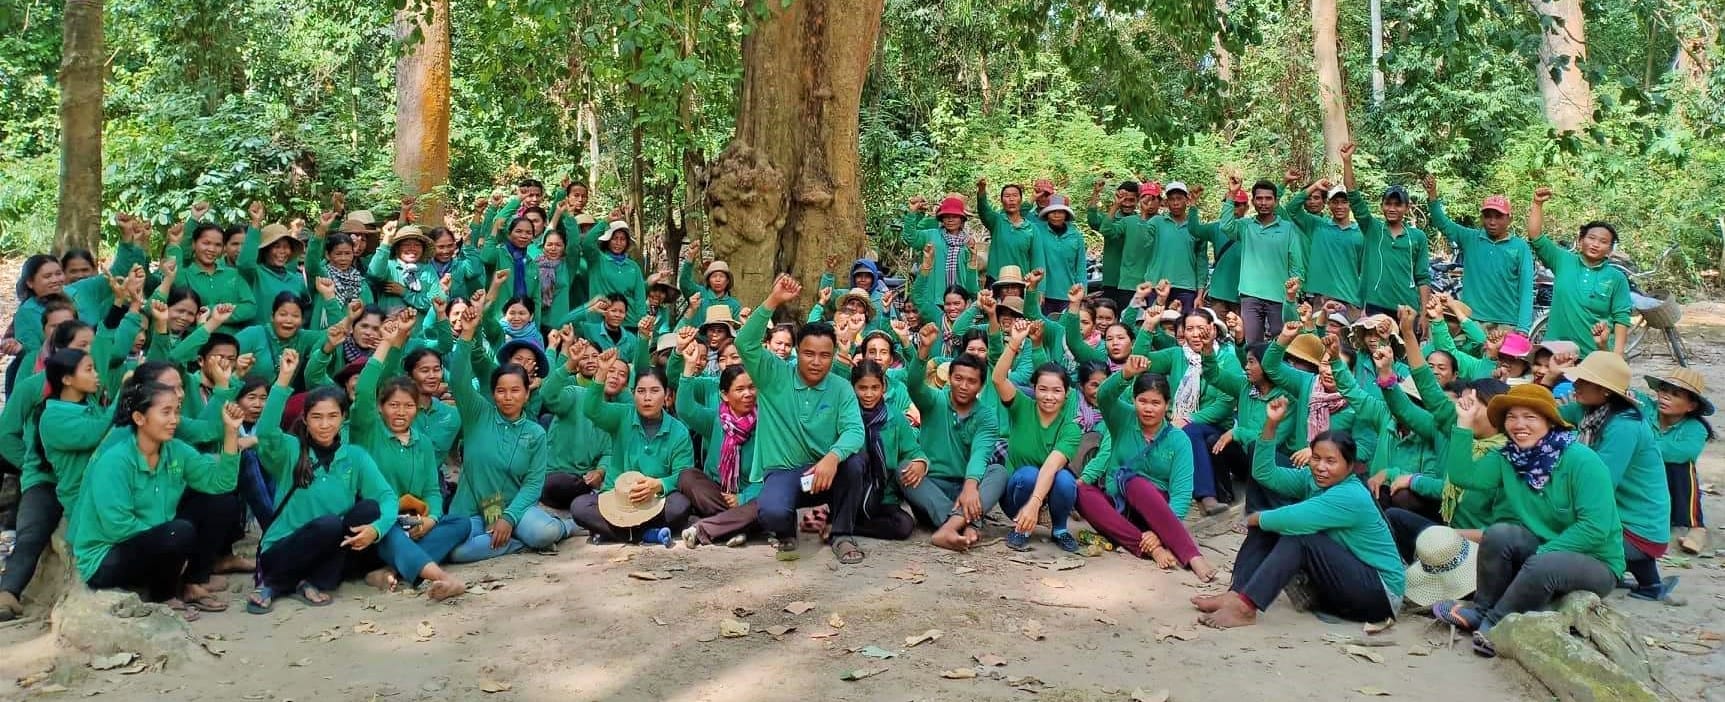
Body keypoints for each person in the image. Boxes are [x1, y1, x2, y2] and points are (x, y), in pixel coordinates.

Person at [1433, 384, 1621, 658]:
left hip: (1596, 560)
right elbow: (1464, 478)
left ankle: (1495, 626)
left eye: (1530, 417)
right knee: (1498, 534)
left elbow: (1595, 528)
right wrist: (1464, 423)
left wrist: (1541, 556)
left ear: (1549, 421)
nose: (1519, 424)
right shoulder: (1508, 457)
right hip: (1544, 550)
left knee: (1544, 565)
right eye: (1511, 417)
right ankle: (1482, 609)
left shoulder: (1581, 460)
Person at [1194, 397, 1403, 628]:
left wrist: (1255, 518)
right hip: (1346, 581)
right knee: (1270, 525)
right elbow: (1264, 474)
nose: (1321, 467)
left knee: (1295, 534)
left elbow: (1294, 518)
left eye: (1331, 461)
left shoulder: (1351, 494)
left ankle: (1245, 607)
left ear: (1350, 466)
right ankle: (1236, 593)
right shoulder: (1311, 479)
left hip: (1380, 595)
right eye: (1316, 458)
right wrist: (1271, 424)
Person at [72, 381, 246, 619]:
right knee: (178, 532)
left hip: (156, 542)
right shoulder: (115, 461)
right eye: (166, 412)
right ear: (139, 418)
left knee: (221, 503)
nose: (175, 419)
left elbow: (221, 483)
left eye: (176, 411)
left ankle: (192, 583)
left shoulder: (176, 450)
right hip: (107, 557)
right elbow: (117, 526)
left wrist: (230, 433)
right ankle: (163, 596)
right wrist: (173, 547)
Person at [414, 302, 568, 564]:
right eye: (501, 391)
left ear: (527, 392)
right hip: (472, 511)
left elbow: (533, 484)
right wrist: (466, 335)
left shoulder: (535, 433)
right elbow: (459, 379)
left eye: (515, 390)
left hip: (515, 509)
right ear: (493, 392)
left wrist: (508, 518)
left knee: (545, 532)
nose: (508, 397)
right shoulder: (478, 414)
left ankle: (565, 528)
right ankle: (518, 543)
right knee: (458, 552)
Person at [736, 275, 867, 562]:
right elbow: (745, 343)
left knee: (855, 462)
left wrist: (833, 457)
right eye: (809, 353)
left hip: (824, 474)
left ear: (834, 356)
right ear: (797, 352)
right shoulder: (773, 374)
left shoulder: (841, 387)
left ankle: (842, 535)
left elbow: (855, 431)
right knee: (771, 511)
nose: (816, 362)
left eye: (824, 355)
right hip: (785, 472)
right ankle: (786, 532)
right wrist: (773, 300)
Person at [1078, 361, 1218, 580]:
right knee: (1082, 491)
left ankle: (1191, 555)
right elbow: (1104, 396)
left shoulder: (1178, 440)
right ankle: (1151, 548)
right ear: (1133, 401)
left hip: (1157, 511)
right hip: (1119, 505)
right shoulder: (1123, 419)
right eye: (1142, 401)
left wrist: (1158, 530)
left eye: (1155, 402)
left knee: (1136, 483)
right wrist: (1125, 374)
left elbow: (1181, 496)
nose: (1148, 408)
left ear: (1167, 405)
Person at [1556, 351, 1673, 601]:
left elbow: (1602, 483)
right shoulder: (1590, 411)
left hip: (1640, 527)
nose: (1575, 385)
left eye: (1583, 381)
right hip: (1626, 517)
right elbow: (1546, 411)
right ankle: (1642, 580)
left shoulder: (1624, 426)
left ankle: (1626, 573)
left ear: (1605, 391)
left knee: (1561, 539)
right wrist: (1547, 379)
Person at [571, 362, 695, 544]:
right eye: (641, 391)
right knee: (580, 506)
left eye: (654, 391)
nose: (647, 398)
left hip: (655, 501)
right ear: (632, 393)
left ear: (667, 395)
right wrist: (600, 375)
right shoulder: (622, 416)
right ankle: (647, 534)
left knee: (680, 505)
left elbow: (683, 474)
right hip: (617, 500)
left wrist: (658, 484)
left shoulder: (679, 431)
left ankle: (615, 533)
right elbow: (591, 410)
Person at [902, 329, 1002, 552]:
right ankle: (966, 524)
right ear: (949, 378)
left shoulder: (986, 416)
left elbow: (980, 453)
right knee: (903, 470)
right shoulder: (934, 401)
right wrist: (923, 351)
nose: (964, 386)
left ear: (981, 385)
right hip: (931, 488)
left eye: (971, 381)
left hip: (966, 488)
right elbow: (915, 387)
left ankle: (949, 528)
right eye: (958, 378)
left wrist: (970, 486)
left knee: (998, 472)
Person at [994, 319, 1082, 552]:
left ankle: (1060, 529)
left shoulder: (1071, 427)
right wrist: (1014, 344)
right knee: (1029, 475)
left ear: (1066, 393)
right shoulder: (1022, 406)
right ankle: (1020, 527)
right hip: (1017, 489)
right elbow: (998, 380)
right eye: (1043, 389)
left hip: (1047, 489)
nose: (1049, 396)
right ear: (1034, 389)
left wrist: (1035, 504)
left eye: (1057, 391)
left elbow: (1051, 467)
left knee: (1064, 479)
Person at [1525, 187, 1631, 355]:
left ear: (1610, 250)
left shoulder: (1616, 278)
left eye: (1603, 242)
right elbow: (1535, 236)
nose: (1596, 244)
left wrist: (1616, 356)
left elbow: (1621, 318)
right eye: (1591, 238)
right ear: (1580, 241)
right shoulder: (1562, 260)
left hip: (1593, 355)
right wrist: (1538, 204)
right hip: (1555, 351)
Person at [1424, 176, 1534, 332]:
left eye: (1498, 216)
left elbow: (1526, 289)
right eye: (1488, 216)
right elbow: (1442, 223)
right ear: (1482, 218)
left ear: (1509, 219)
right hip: (1472, 320)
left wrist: (1523, 328)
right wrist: (1433, 195)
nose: (1492, 221)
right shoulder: (1470, 238)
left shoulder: (1520, 247)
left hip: (1506, 323)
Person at [677, 360, 763, 548]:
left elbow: (772, 475)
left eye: (751, 387)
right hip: (719, 494)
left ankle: (705, 528)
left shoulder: (767, 423)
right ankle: (737, 526)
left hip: (752, 495)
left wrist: (743, 497)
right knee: (687, 476)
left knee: (764, 504)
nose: (748, 394)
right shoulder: (715, 419)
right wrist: (688, 369)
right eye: (740, 389)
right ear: (725, 395)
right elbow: (685, 409)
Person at [1341, 145, 1430, 318]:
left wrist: (1425, 313)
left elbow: (1423, 277)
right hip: (1375, 305)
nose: (1392, 208)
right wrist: (1347, 162)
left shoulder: (1417, 237)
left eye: (1398, 204)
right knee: (1375, 345)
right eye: (1388, 203)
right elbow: (1353, 196)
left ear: (1407, 207)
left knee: (1406, 346)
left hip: (1407, 308)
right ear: (1382, 206)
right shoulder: (1372, 229)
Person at [843, 361, 922, 542]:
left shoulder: (894, 417)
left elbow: (914, 450)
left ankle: (848, 527)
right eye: (862, 388)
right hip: (851, 493)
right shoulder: (847, 414)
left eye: (875, 387)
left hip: (884, 494)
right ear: (853, 387)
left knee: (904, 526)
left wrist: (919, 462)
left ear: (883, 387)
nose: (869, 394)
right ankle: (844, 521)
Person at [1221, 180, 1304, 344]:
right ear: (1253, 202)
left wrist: (1294, 293)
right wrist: (1231, 195)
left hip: (1279, 296)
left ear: (1276, 201)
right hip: (1250, 295)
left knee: (1282, 344)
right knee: (1252, 345)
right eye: (1259, 198)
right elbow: (1226, 226)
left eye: (1268, 198)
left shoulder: (1288, 228)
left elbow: (1296, 265)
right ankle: (1253, 370)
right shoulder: (1246, 226)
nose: (1263, 203)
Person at [1641, 369, 1713, 555]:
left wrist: (1642, 445)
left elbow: (1679, 453)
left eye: (1675, 394)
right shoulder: (1645, 407)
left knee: (1683, 466)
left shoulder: (1696, 429)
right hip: (1642, 482)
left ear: (1690, 406)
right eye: (1664, 390)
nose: (1665, 397)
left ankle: (1696, 526)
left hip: (1671, 486)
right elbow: (1619, 388)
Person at [1283, 176, 1363, 314]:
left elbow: (1364, 269)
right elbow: (1291, 208)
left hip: (1350, 298)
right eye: (1335, 202)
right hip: (1321, 297)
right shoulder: (1317, 225)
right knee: (1318, 333)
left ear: (1350, 205)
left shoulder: (1360, 233)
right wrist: (1315, 186)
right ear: (1328, 204)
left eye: (1344, 202)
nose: (1339, 206)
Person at [976, 179, 1044, 281]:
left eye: (1015, 195)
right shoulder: (997, 221)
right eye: (1007, 196)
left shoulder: (1031, 229)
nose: (1011, 199)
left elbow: (1038, 261)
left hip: (1021, 281)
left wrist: (1039, 290)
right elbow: (984, 210)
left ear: (1021, 199)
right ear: (1001, 200)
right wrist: (981, 191)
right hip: (996, 279)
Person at [1089, 179, 1140, 307]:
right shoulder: (1110, 219)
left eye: (1131, 200)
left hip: (1133, 282)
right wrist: (1096, 193)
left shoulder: (1141, 221)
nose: (1127, 204)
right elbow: (1093, 219)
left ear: (1138, 200)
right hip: (1111, 279)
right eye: (1124, 199)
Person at [1038, 194, 1087, 316]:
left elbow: (1080, 267)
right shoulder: (1037, 231)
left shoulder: (1076, 236)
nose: (1056, 215)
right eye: (1052, 211)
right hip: (1043, 294)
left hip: (1069, 294)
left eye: (1060, 211)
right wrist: (1038, 290)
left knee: (1066, 329)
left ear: (1066, 214)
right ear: (1046, 213)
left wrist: (1082, 294)